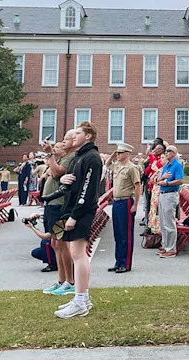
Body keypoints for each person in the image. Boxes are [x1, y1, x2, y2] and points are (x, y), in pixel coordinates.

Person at [55, 122, 103, 319]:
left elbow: (88, 189)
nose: (73, 136)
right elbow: (75, 182)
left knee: (78, 254)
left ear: (89, 136)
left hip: (83, 211)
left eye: (78, 133)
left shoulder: (92, 157)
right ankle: (82, 297)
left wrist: (75, 215)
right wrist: (64, 179)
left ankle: (80, 300)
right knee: (77, 254)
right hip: (75, 208)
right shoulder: (79, 156)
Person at [41, 135, 76, 298]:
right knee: (55, 243)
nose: (55, 147)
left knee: (62, 243)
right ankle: (61, 280)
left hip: (59, 204)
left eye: (60, 145)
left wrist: (50, 155)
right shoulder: (59, 159)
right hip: (50, 204)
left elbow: (56, 173)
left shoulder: (69, 158)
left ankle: (70, 281)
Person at [108, 143, 141, 274]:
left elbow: (137, 186)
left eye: (120, 153)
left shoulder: (132, 168)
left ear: (127, 154)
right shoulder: (116, 165)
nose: (118, 155)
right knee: (117, 234)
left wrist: (135, 205)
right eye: (117, 153)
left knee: (125, 235)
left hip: (126, 201)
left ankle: (125, 264)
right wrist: (112, 155)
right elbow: (107, 164)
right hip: (116, 202)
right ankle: (118, 262)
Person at [157, 144, 185, 259]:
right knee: (163, 222)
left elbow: (180, 180)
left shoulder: (177, 165)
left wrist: (167, 183)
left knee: (169, 223)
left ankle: (171, 249)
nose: (166, 153)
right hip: (163, 193)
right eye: (166, 151)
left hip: (170, 194)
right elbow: (158, 179)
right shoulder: (166, 166)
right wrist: (162, 178)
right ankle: (165, 245)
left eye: (169, 151)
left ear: (174, 153)